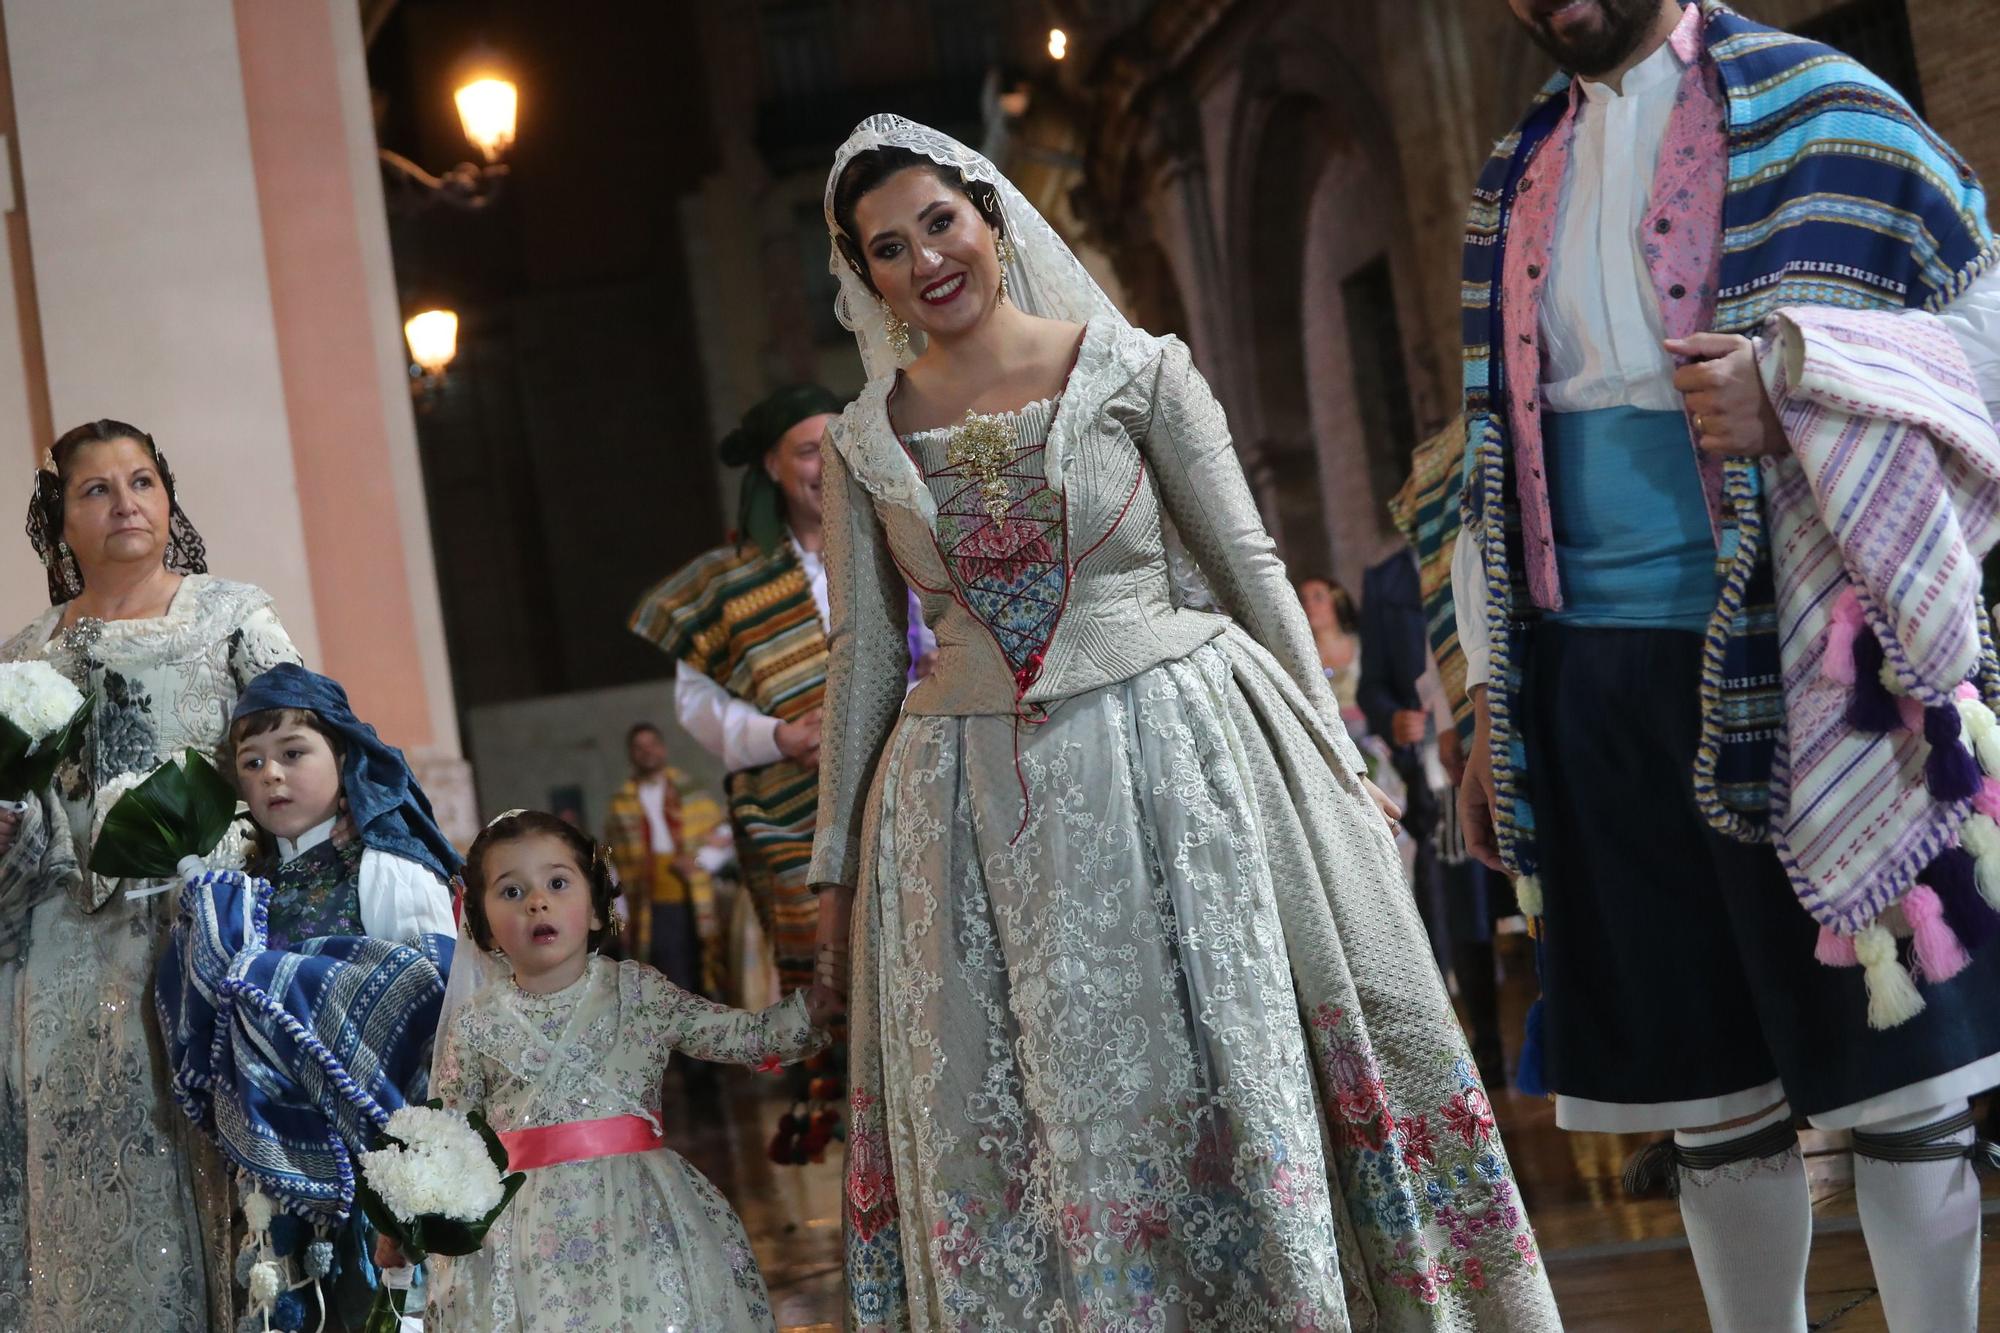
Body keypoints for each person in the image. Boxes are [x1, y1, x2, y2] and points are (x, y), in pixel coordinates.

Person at [810, 115, 1558, 1329]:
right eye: (884, 249)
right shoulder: (860, 442)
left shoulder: (1135, 369)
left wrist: (1331, 754)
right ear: (864, 275)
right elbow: (861, 670)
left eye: (938, 223)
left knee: (1226, 1070)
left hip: (1176, 771)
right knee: (1038, 1113)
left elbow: (1250, 566)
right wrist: (833, 871)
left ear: (989, 216)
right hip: (965, 825)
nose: (922, 261)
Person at [1447, 3, 2000, 1329]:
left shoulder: (1827, 105)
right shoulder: (1508, 179)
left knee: (1903, 1094)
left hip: (1816, 661)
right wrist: (1487, 703)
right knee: (1705, 1105)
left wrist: (1799, 376)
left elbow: (1986, 322)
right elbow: (1485, 465)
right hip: (1595, 692)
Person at [0, 419, 300, 1329]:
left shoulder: (234, 615)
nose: (125, 503)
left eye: (141, 482)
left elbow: (300, 755)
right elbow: (21, 830)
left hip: (206, 942)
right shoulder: (23, 657)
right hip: (60, 959)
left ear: (169, 497)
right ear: (62, 517)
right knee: (85, 1165)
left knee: (216, 1166)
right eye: (97, 489)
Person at [420, 810, 839, 1332]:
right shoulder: (476, 1022)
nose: (537, 901)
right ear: (482, 929)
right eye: (511, 892)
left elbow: (736, 1036)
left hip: (639, 1216)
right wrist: (414, 1214)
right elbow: (450, 1136)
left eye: (557, 882)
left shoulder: (638, 993)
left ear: (597, 910)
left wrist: (812, 1008)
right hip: (524, 1235)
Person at [602, 722, 707, 994]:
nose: (647, 752)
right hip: (651, 904)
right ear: (631, 755)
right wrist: (619, 916)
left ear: (663, 748)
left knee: (705, 969)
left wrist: (700, 860)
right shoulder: (621, 803)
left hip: (700, 900)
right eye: (639, 747)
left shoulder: (690, 791)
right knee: (669, 974)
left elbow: (720, 835)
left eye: (652, 745)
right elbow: (611, 862)